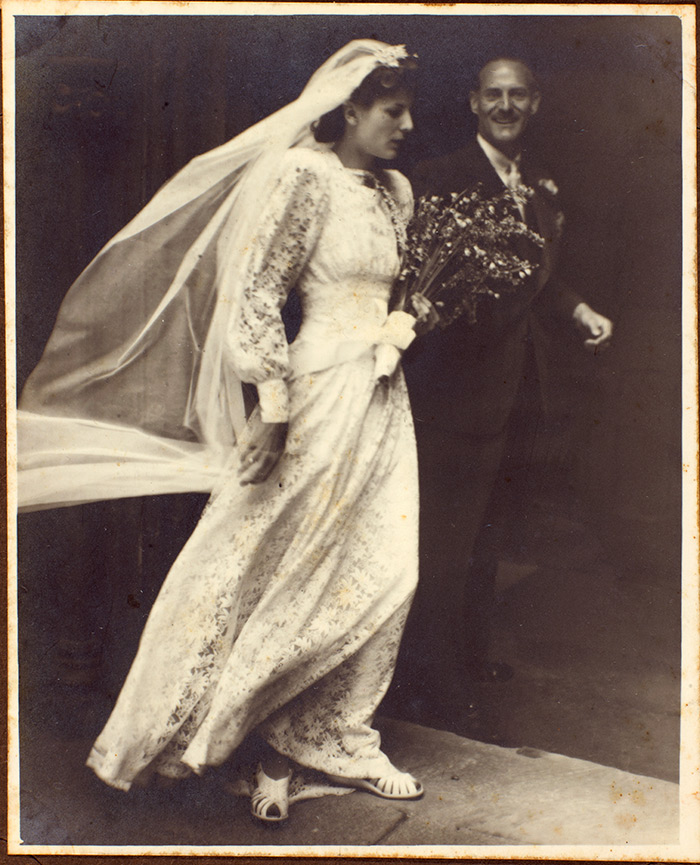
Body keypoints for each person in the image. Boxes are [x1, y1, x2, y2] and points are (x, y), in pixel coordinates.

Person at [18, 41, 428, 823]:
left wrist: (410, 316)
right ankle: (214, 738)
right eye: (392, 110)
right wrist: (271, 410)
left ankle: (333, 735)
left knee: (383, 565)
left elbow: (392, 289)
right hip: (313, 396)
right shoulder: (304, 176)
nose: (406, 126)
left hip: (383, 397)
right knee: (269, 561)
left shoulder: (398, 192)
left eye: (410, 111)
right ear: (349, 109)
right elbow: (259, 293)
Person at [393, 57, 613, 722]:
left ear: (535, 103)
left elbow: (536, 278)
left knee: (489, 534)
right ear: (473, 102)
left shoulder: (538, 182)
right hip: (456, 393)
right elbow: (417, 280)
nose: (506, 106)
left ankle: (469, 655)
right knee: (445, 540)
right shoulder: (439, 176)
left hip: (516, 392)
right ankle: (430, 682)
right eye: (494, 94)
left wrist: (578, 310)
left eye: (518, 95)